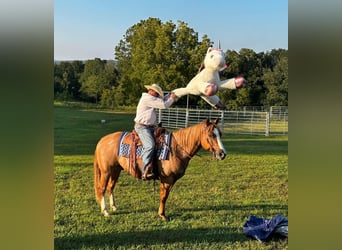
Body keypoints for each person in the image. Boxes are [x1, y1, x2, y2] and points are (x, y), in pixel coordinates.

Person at [134, 84, 177, 180]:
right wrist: (172, 98)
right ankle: (144, 169)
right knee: (150, 146)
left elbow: (161, 101)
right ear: (151, 91)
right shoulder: (147, 98)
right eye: (157, 93)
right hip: (142, 127)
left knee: (166, 138)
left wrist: (169, 95)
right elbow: (163, 105)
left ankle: (159, 164)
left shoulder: (150, 98)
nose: (157, 95)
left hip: (150, 127)